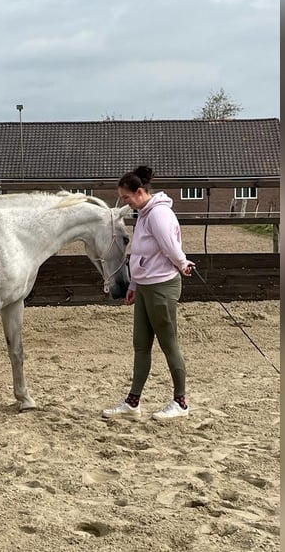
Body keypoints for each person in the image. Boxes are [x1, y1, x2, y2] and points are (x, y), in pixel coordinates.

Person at [102, 165, 195, 421]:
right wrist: (133, 285)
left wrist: (183, 264)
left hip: (162, 286)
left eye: (126, 196)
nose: (125, 201)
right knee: (141, 345)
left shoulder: (158, 215)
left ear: (140, 191)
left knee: (169, 343)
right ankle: (133, 403)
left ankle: (180, 402)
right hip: (144, 287)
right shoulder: (143, 213)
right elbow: (141, 253)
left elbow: (170, 246)